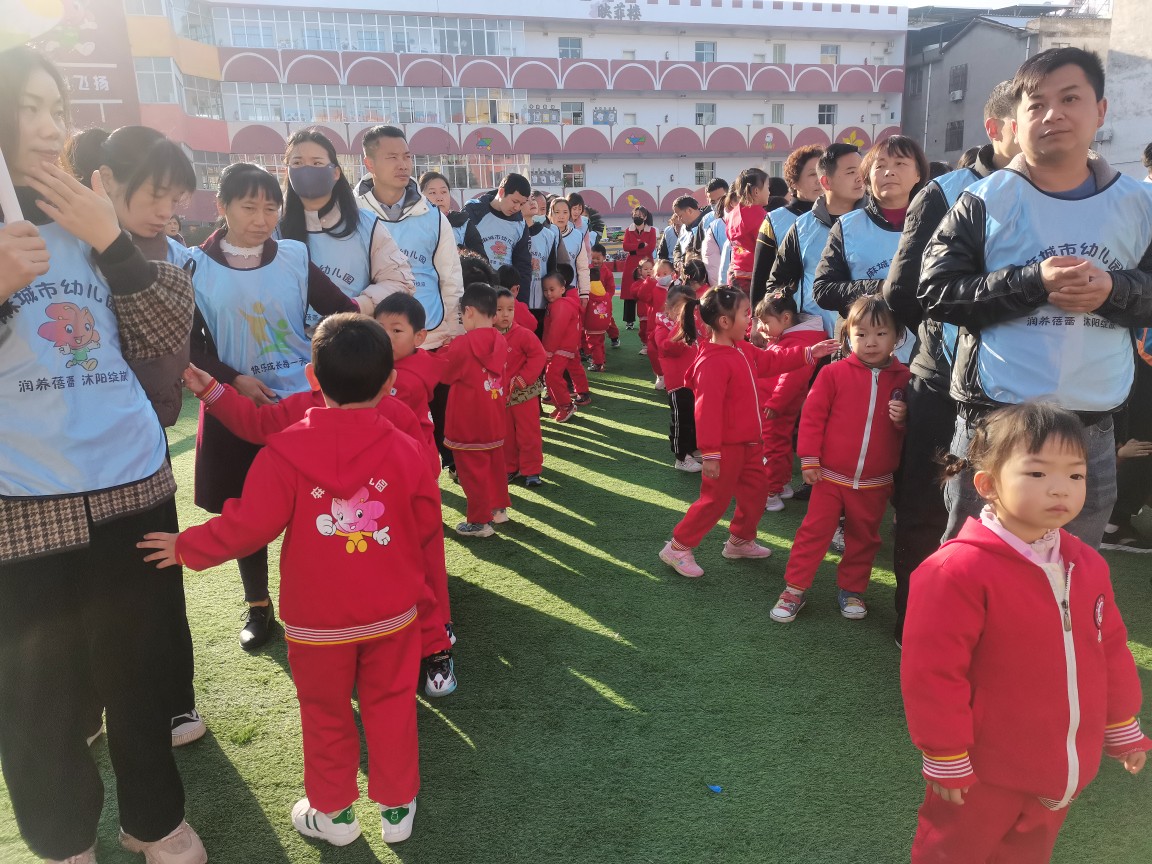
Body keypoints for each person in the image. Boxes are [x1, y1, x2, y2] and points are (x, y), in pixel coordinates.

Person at [0, 45, 206, 864]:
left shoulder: (89, 215)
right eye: (28, 108)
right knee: (36, 692)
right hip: (21, 499)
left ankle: (153, 821)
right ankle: (62, 840)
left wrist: (113, 242)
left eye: (57, 109)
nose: (48, 127)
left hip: (131, 483)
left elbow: (162, 337)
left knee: (141, 672)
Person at [142, 314, 450, 848]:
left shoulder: (284, 451)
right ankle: (397, 809)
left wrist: (185, 546)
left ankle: (333, 815)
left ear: (312, 377)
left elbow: (247, 527)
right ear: (389, 383)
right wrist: (427, 612)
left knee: (326, 713)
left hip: (317, 621)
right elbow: (427, 535)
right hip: (392, 614)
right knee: (392, 707)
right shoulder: (406, 450)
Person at [919, 47, 1152, 549]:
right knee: (972, 564)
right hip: (995, 420)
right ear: (1016, 121)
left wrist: (1113, 291)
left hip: (1092, 427)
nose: (1052, 115)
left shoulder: (1140, 204)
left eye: (1069, 98)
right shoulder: (982, 200)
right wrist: (1031, 283)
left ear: (1101, 111)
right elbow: (936, 293)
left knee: (1069, 569)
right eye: (1036, 104)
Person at [901, 402, 1150, 864]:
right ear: (987, 485)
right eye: (1037, 473)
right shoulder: (956, 571)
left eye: (1075, 475)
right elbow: (932, 672)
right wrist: (945, 749)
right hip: (984, 770)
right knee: (953, 853)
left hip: (1060, 766)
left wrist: (1120, 724)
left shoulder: (1086, 564)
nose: (1061, 488)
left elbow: (1110, 648)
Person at [64, 124, 206, 747]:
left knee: (155, 571)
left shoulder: (167, 253)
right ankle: (86, 704)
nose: (167, 211)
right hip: (65, 449)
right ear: (105, 182)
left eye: (175, 198)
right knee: (76, 588)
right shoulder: (62, 245)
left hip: (139, 441)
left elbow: (173, 343)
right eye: (155, 195)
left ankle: (173, 701)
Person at [190, 162, 358, 650]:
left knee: (319, 503)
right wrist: (233, 380)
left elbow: (343, 311)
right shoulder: (194, 266)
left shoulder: (293, 256)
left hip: (302, 407)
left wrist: (325, 361)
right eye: (249, 207)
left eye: (271, 207)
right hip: (234, 408)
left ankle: (324, 593)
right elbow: (189, 347)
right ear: (221, 206)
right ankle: (258, 605)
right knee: (245, 509)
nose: (262, 219)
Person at [883, 80, 1020, 645]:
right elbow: (903, 291)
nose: (1050, 124)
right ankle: (917, 623)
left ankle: (997, 632)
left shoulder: (1073, 193)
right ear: (998, 126)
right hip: (945, 381)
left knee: (1015, 511)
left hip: (1031, 389)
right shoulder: (946, 192)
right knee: (930, 506)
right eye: (1033, 111)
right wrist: (958, 338)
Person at [659, 287, 837, 579]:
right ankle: (678, 547)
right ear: (725, 322)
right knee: (714, 502)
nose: (751, 322)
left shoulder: (741, 348)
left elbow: (770, 362)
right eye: (745, 315)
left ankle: (740, 541)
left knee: (756, 493)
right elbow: (706, 413)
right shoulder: (713, 362)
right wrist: (711, 453)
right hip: (726, 448)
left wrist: (808, 353)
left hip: (750, 444)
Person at [771, 296, 910, 623]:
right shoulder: (833, 373)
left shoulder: (905, 379)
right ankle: (794, 589)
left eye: (881, 334)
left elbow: (907, 434)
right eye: (861, 334)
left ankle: (852, 590)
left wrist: (904, 419)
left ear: (897, 336)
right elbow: (812, 417)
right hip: (829, 476)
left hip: (875, 482)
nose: (871, 342)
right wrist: (809, 458)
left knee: (864, 540)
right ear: (848, 336)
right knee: (813, 534)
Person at [813, 134, 929, 363]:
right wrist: (879, 288)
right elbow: (823, 290)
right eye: (880, 165)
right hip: (860, 358)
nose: (889, 172)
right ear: (867, 176)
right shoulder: (847, 227)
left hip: (922, 357)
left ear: (918, 174)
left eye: (900, 163)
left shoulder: (938, 225)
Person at [279, 128, 414, 323]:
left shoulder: (365, 225)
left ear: (335, 172)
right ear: (287, 171)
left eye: (317, 163)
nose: (307, 170)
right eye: (297, 163)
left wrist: (357, 306)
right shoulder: (272, 226)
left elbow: (399, 281)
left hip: (348, 336)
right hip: (286, 339)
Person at [355, 125, 464, 353]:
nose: (403, 165)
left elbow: (451, 278)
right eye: (392, 157)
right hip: (371, 343)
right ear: (369, 164)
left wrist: (450, 329)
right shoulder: (353, 215)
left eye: (406, 157)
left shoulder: (433, 216)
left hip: (429, 339)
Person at [766, 143, 864, 338]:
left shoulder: (878, 222)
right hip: (817, 341)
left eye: (862, 171)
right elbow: (777, 282)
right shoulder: (802, 227)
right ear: (826, 182)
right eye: (851, 172)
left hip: (871, 342)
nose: (860, 178)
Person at [442, 283, 511, 536]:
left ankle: (480, 522)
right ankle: (499, 511)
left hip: (467, 423)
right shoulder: (500, 340)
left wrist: (444, 350)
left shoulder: (462, 344)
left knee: (472, 474)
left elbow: (446, 375)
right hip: (494, 418)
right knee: (495, 468)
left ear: (469, 311)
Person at [754, 292, 827, 512]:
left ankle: (770, 492)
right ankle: (782, 484)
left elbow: (791, 379)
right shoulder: (794, 338)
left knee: (772, 447)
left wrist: (775, 403)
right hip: (776, 404)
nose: (761, 328)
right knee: (780, 444)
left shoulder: (799, 342)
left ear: (786, 318)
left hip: (775, 406)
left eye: (765, 322)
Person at [749, 144, 824, 307]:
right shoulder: (775, 220)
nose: (820, 180)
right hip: (790, 315)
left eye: (823, 173)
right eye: (813, 174)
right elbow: (761, 274)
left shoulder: (844, 217)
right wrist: (756, 315)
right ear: (794, 182)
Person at [495, 287, 547, 487]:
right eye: (499, 309)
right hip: (500, 395)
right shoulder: (488, 336)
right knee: (505, 435)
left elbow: (539, 355)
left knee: (528, 433)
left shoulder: (523, 334)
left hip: (524, 394)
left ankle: (532, 470)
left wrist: (523, 378)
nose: (505, 314)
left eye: (510, 309)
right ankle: (510, 467)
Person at [653, 283, 701, 472]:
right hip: (678, 383)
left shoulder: (694, 323)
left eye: (689, 309)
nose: (686, 314)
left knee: (695, 417)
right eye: (681, 309)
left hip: (694, 380)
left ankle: (693, 449)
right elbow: (667, 348)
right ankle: (681, 457)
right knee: (681, 420)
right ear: (668, 308)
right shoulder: (663, 326)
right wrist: (681, 328)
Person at [462, 173, 532, 290]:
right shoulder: (473, 212)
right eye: (514, 201)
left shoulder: (520, 224)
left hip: (505, 291)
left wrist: (521, 299)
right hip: (477, 288)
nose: (517, 208)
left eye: (521, 204)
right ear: (501, 192)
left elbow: (523, 266)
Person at [542, 271, 589, 423]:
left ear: (562, 289)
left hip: (561, 347)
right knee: (572, 370)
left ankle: (566, 405)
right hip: (568, 345)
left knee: (552, 376)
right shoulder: (564, 303)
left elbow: (556, 330)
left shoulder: (560, 305)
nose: (548, 293)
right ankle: (564, 402)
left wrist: (548, 350)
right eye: (545, 290)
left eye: (552, 289)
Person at [418, 170, 486, 258]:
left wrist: (461, 252)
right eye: (432, 193)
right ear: (420, 197)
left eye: (443, 192)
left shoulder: (463, 225)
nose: (439, 198)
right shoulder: (414, 224)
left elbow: (482, 260)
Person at [724, 167, 771, 294]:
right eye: (767, 187)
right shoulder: (761, 216)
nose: (769, 192)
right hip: (754, 275)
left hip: (735, 273)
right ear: (756, 191)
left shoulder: (731, 215)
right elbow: (766, 249)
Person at [621, 205, 656, 330]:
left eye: (640, 215)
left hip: (647, 264)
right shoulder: (628, 230)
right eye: (635, 215)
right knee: (629, 293)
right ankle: (629, 320)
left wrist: (634, 249)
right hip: (631, 264)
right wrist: (640, 245)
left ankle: (648, 316)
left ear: (645, 217)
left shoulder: (652, 230)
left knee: (647, 290)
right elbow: (625, 246)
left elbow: (650, 248)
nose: (637, 217)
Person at [550, 195, 589, 302]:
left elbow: (582, 267)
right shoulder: (544, 234)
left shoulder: (577, 236)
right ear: (550, 214)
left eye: (565, 212)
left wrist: (584, 293)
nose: (561, 216)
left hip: (570, 291)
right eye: (557, 212)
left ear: (569, 215)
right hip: (548, 293)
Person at [585, 243, 616, 371]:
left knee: (595, 339)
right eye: (593, 258)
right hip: (598, 306)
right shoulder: (588, 269)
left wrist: (605, 300)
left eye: (598, 258)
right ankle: (600, 359)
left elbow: (611, 289)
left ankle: (598, 361)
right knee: (600, 337)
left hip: (600, 305)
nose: (595, 261)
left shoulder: (607, 272)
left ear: (604, 257)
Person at [672, 195, 706, 270]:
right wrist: (678, 261)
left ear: (689, 211)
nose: (679, 219)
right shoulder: (683, 228)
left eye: (680, 215)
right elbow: (677, 248)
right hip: (686, 270)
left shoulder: (707, 224)